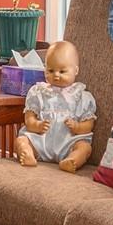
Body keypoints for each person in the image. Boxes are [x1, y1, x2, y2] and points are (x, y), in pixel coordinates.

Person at [13, 41, 98, 172]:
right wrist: (37, 125)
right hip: (41, 142)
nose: (56, 75)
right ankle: (28, 154)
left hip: (68, 143)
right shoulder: (38, 91)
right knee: (21, 140)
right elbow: (29, 120)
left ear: (75, 70)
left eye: (62, 71)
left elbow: (89, 125)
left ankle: (72, 160)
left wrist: (77, 127)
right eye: (50, 70)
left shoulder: (82, 96)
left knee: (85, 147)